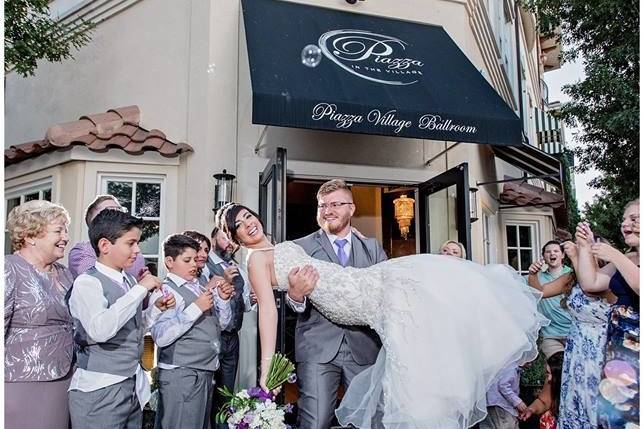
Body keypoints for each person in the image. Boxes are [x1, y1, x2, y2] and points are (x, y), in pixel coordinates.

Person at [220, 201, 546, 429]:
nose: (249, 223)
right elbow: (267, 315)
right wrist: (265, 371)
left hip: (364, 285)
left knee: (426, 314)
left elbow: (325, 259)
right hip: (358, 302)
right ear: (235, 238)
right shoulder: (256, 261)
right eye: (239, 225)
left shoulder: (283, 245)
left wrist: (355, 235)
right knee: (413, 351)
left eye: (249, 216)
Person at [278, 179, 386, 428]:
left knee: (366, 420)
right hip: (318, 348)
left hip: (365, 348)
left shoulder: (372, 248)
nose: (328, 211)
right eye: (322, 205)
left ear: (352, 209)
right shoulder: (300, 248)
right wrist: (295, 295)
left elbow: (384, 295)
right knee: (315, 420)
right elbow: (292, 303)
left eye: (336, 204)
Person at [67, 209, 175, 429]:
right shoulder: (87, 283)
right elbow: (100, 330)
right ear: (105, 245)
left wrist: (154, 310)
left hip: (129, 385)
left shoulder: (127, 281)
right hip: (99, 391)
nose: (137, 250)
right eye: (131, 243)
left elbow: (131, 327)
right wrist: (140, 292)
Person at [150, 234, 233, 429]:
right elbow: (161, 336)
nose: (193, 264)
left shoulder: (200, 287)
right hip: (182, 374)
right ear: (169, 262)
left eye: (195, 259)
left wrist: (223, 300)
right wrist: (196, 308)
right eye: (187, 260)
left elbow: (221, 325)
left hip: (204, 371)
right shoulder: (165, 291)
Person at [527, 241, 614, 429]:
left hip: (599, 347)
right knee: (568, 388)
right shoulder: (571, 277)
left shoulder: (610, 278)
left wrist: (576, 258)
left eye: (591, 252)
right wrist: (533, 274)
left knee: (596, 399)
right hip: (575, 345)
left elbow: (593, 288)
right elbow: (540, 292)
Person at [4, 200, 75, 429]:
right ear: (31, 235)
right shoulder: (8, 269)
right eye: (58, 231)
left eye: (66, 230)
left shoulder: (66, 275)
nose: (65, 237)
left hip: (64, 380)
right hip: (20, 382)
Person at [575, 199, 639, 428]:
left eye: (634, 219)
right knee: (615, 413)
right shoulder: (628, 257)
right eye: (624, 219)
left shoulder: (621, 258)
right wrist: (584, 247)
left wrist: (615, 255)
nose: (625, 224)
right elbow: (590, 283)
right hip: (618, 347)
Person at [207, 222, 256, 429]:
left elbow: (242, 306)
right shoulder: (203, 264)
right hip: (210, 339)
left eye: (233, 241)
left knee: (225, 393)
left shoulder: (240, 270)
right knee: (206, 393)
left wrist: (250, 301)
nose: (230, 245)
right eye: (225, 238)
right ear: (213, 239)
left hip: (231, 338)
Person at [68, 194, 147, 279]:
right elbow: (99, 282)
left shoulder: (136, 255)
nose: (118, 216)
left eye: (120, 211)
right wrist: (140, 286)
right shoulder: (81, 253)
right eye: (110, 212)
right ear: (94, 223)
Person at [526, 240, 574, 358]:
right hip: (550, 335)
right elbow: (530, 292)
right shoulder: (535, 278)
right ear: (543, 256)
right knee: (557, 366)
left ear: (563, 255)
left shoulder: (573, 275)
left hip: (574, 332)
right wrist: (532, 273)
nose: (552, 254)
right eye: (548, 251)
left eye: (556, 251)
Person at [520, 352, 565, 429]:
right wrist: (531, 409)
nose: (549, 378)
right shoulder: (550, 380)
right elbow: (543, 401)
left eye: (551, 374)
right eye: (547, 374)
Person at [479, 363, 526, 429]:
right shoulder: (511, 368)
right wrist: (517, 402)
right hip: (500, 405)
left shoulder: (510, 367)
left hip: (492, 403)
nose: (531, 364)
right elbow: (503, 385)